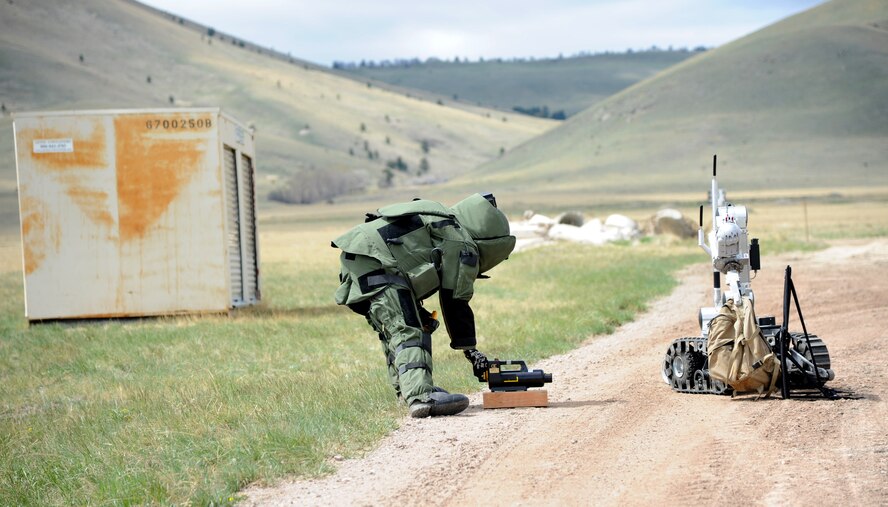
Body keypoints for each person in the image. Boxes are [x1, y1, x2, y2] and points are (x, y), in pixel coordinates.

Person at [332, 193, 516, 417]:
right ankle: (420, 397)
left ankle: (409, 391)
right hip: (377, 264)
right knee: (407, 329)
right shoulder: (460, 240)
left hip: (360, 262)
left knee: (404, 327)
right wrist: (470, 351)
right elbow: (455, 300)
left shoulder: (443, 222)